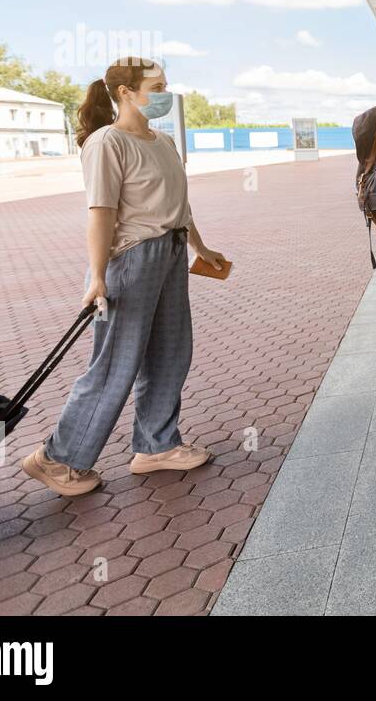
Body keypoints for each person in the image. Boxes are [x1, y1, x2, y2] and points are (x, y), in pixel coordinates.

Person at [21, 57, 226, 496]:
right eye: (156, 86)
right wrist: (97, 277)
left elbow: (179, 206)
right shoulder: (106, 142)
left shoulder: (163, 142)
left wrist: (201, 248)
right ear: (125, 92)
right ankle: (58, 460)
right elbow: (101, 214)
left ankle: (156, 446)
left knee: (171, 352)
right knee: (117, 361)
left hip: (170, 252)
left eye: (166, 85)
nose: (164, 93)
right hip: (132, 259)